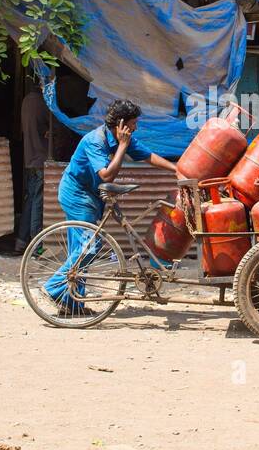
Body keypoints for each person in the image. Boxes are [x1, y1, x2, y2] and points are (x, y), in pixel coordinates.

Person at [43, 99, 178, 316]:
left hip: (92, 195)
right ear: (121, 124)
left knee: (80, 249)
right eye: (133, 123)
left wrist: (177, 170)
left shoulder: (121, 138)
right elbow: (106, 175)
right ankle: (53, 287)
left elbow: (148, 156)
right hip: (77, 194)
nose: (136, 127)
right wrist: (123, 147)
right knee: (89, 246)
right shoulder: (95, 141)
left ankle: (71, 304)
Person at [14, 82, 49, 254]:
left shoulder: (26, 101)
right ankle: (37, 246)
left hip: (30, 159)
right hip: (41, 159)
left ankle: (21, 241)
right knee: (38, 203)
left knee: (30, 200)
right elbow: (53, 128)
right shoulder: (45, 104)